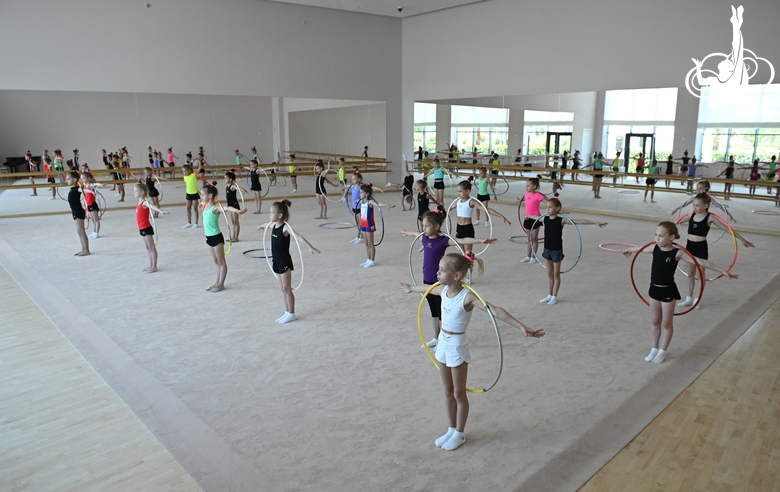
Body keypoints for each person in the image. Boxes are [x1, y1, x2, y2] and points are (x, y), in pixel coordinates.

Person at [399, 253, 545, 450]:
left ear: (457, 275)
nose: (437, 272)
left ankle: (459, 433)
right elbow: (425, 288)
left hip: (457, 346)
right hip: (442, 343)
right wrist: (411, 288)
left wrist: (521, 326)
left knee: (459, 393)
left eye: (442, 270)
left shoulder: (467, 297)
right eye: (439, 269)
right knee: (447, 391)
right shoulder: (441, 290)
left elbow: (495, 310)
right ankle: (451, 429)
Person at [623, 221, 738, 363]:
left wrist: (722, 270)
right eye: (656, 235)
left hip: (668, 292)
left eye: (661, 236)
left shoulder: (677, 253)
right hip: (654, 289)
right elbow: (640, 249)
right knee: (655, 321)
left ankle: (662, 351)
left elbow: (700, 261)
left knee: (666, 323)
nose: (657, 239)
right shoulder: (654, 248)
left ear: (671, 237)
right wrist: (631, 249)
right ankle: (654, 349)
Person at [401, 208, 497, 348]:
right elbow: (414, 233)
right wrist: (406, 232)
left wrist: (481, 240)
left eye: (426, 225)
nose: (423, 228)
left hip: (441, 281)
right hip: (427, 279)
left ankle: (443, 338)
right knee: (433, 312)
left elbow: (462, 240)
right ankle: (436, 337)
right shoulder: (424, 238)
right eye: (423, 225)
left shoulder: (443, 240)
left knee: (442, 313)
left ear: (437, 226)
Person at [675, 193, 754, 308]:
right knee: (690, 274)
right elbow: (674, 222)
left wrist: (742, 239)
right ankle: (688, 298)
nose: (694, 208)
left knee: (701, 275)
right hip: (689, 248)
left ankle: (697, 300)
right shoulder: (691, 215)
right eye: (693, 205)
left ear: (706, 206)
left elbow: (727, 228)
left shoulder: (710, 218)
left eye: (697, 205)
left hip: (701, 248)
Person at [258, 200, 320, 323]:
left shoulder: (285, 228)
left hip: (284, 261)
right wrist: (261, 225)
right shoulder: (273, 225)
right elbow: (267, 224)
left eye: (271, 213)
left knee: (287, 288)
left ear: (280, 215)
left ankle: (291, 313)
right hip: (275, 260)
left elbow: (298, 236)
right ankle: (286, 312)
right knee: (282, 288)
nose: (269, 215)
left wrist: (309, 246)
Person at [536, 198, 607, 305]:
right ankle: (549, 295)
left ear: (557, 208)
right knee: (549, 273)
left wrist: (594, 222)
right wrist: (528, 216)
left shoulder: (561, 220)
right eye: (546, 207)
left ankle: (554, 296)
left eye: (550, 207)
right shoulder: (544, 219)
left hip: (556, 250)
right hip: (547, 249)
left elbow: (579, 221)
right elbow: (534, 217)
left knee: (556, 273)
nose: (547, 209)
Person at [200, 182, 246, 292]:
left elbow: (228, 208)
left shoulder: (215, 208)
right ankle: (216, 282)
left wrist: (238, 211)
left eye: (202, 194)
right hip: (209, 238)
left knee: (221, 261)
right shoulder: (205, 205)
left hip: (216, 237)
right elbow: (201, 202)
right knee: (216, 261)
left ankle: (221, 284)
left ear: (210, 196)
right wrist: (201, 202)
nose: (201, 197)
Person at [448, 180, 510, 254]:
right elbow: (447, 210)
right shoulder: (457, 202)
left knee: (468, 254)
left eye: (460, 191)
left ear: (467, 191)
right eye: (458, 191)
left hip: (467, 229)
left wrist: (501, 216)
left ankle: (468, 265)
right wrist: (438, 212)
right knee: (461, 252)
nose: (458, 193)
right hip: (459, 228)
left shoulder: (471, 202)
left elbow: (486, 210)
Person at [357, 184, 394, 267]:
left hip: (369, 224)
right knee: (366, 243)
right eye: (360, 192)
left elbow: (378, 204)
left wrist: (386, 205)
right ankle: (368, 259)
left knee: (370, 243)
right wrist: (356, 201)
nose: (360, 194)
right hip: (363, 224)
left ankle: (372, 260)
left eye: (361, 192)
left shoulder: (369, 202)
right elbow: (357, 201)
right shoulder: (361, 201)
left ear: (367, 194)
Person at [134, 183, 168, 273]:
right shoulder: (139, 202)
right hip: (141, 228)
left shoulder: (145, 202)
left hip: (146, 228)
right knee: (147, 247)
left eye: (135, 191)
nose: (134, 193)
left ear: (141, 192)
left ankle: (154, 266)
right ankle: (150, 265)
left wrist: (160, 211)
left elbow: (152, 206)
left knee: (151, 247)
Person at [670, 180, 736, 223]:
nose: (698, 190)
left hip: (704, 217)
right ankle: (674, 223)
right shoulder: (695, 198)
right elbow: (685, 203)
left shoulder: (708, 198)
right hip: (694, 216)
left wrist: (729, 214)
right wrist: (677, 209)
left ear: (706, 190)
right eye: (697, 188)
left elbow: (720, 206)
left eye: (700, 189)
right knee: (681, 221)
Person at [519, 177, 549, 264]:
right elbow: (527, 199)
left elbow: (547, 202)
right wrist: (519, 200)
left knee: (534, 238)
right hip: (527, 218)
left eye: (528, 186)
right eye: (526, 185)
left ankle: (533, 257)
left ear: (534, 187)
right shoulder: (526, 194)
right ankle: (528, 256)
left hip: (536, 219)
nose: (526, 187)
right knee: (529, 239)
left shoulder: (538, 195)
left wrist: (555, 207)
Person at [66, 172, 90, 256]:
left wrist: (92, 192)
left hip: (78, 211)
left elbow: (83, 190)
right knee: (79, 231)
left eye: (69, 179)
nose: (67, 180)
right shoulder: (72, 188)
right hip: (75, 211)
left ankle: (86, 250)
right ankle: (83, 249)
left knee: (81, 231)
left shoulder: (77, 188)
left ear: (75, 180)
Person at [224, 171, 249, 242]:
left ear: (230, 179)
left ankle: (236, 237)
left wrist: (243, 190)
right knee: (233, 222)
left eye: (226, 178)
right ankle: (233, 237)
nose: (224, 180)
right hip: (230, 207)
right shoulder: (227, 186)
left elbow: (238, 188)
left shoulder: (232, 186)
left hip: (234, 206)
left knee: (236, 222)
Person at [80, 172, 101, 239]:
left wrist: (101, 184)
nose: (82, 179)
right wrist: (84, 202)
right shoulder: (85, 185)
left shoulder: (91, 185)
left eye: (83, 178)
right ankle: (94, 232)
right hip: (88, 204)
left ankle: (97, 233)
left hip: (92, 204)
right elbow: (86, 196)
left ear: (88, 178)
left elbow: (95, 184)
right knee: (92, 220)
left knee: (96, 219)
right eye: (81, 178)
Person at [182, 164, 201, 228]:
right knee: (188, 208)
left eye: (185, 171)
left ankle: (196, 223)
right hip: (188, 194)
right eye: (183, 171)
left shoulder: (193, 175)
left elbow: (199, 168)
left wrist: (199, 161)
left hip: (194, 194)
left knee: (195, 208)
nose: (184, 172)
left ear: (189, 170)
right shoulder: (184, 177)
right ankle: (189, 222)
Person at [348, 172, 365, 244]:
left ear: (359, 179)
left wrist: (360, 200)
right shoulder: (352, 186)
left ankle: (362, 237)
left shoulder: (360, 188)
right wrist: (344, 187)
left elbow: (364, 197)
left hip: (359, 207)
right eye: (352, 179)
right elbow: (348, 186)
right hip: (354, 207)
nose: (352, 180)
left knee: (360, 223)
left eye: (354, 179)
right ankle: (357, 236)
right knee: (357, 222)